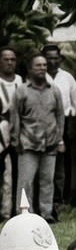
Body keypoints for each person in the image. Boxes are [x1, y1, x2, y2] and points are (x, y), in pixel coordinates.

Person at [10, 54, 66, 222]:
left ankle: (46, 214)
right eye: (38, 65)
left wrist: (58, 137)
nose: (42, 68)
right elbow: (15, 116)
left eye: (44, 65)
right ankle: (24, 215)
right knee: (26, 181)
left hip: (50, 143)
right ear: (29, 69)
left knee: (47, 181)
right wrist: (16, 140)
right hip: (28, 143)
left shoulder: (54, 90)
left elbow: (60, 115)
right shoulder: (22, 91)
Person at [43, 41, 76, 217]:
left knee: (62, 164)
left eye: (55, 58)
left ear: (61, 60)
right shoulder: (38, 76)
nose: (52, 62)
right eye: (48, 58)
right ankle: (44, 199)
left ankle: (60, 200)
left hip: (63, 122)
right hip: (41, 123)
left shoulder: (67, 78)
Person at [0, 47, 21, 219]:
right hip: (1, 133)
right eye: (5, 59)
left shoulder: (21, 81)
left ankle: (11, 211)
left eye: (12, 59)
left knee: (15, 173)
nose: (9, 62)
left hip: (18, 133)